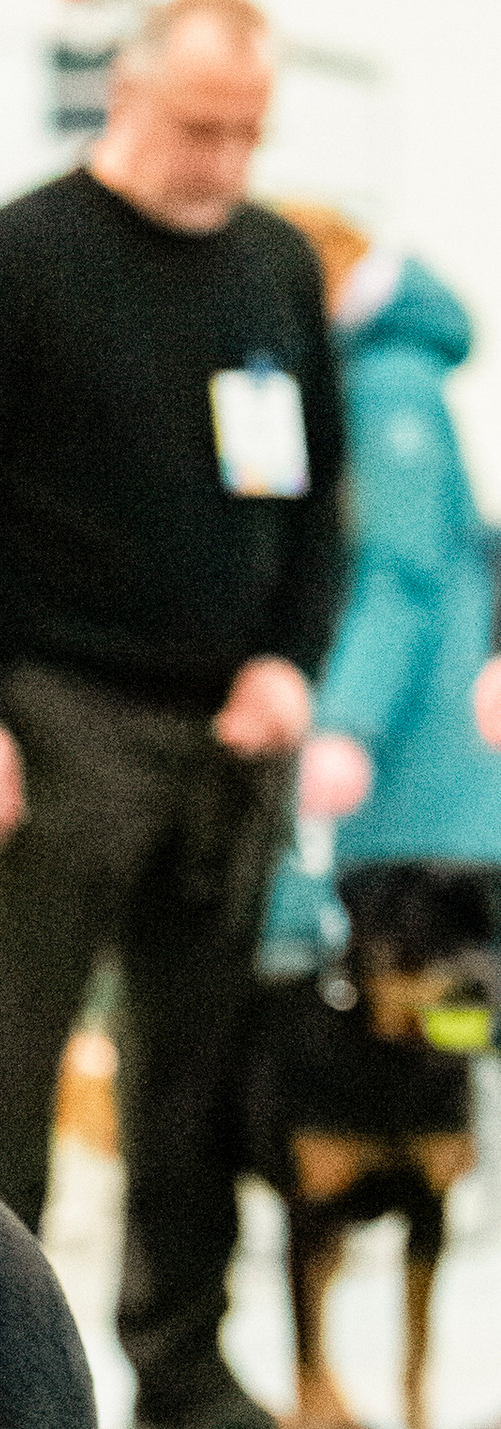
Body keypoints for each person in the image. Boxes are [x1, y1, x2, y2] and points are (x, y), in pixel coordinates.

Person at [0, 0, 343, 1429]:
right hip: (53, 716)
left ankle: (185, 1362)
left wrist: (291, 659)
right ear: (129, 97)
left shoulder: (276, 265)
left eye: (250, 132)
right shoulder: (13, 259)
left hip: (229, 736)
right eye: (203, 127)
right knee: (9, 1069)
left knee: (197, 1071)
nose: (225, 158)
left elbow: (318, 500)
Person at [264, 210, 501, 953]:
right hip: (394, 773)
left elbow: (400, 573)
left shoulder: (388, 386)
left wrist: (348, 725)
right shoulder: (343, 381)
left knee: (423, 1005)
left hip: (418, 771)